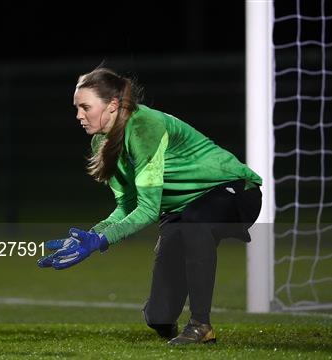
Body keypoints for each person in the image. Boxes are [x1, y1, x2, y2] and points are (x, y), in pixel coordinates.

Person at [37, 67, 262, 345]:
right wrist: (91, 236)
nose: (79, 116)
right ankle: (168, 320)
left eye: (85, 107)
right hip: (182, 211)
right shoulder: (102, 142)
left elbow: (148, 210)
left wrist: (101, 241)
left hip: (232, 191)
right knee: (159, 317)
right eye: (77, 108)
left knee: (196, 223)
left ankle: (201, 325)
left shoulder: (144, 126)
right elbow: (128, 206)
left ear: (112, 106)